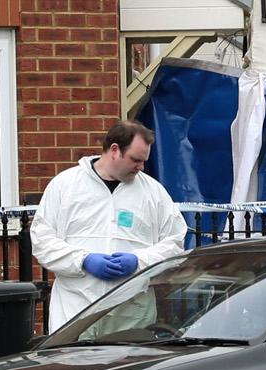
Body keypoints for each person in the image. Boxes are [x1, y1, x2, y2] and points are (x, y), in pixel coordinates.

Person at [30, 120, 187, 331]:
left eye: (144, 161)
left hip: (131, 311)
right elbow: (42, 241)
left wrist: (138, 261)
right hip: (76, 308)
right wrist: (83, 260)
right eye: (135, 160)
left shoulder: (153, 193)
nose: (141, 167)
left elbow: (175, 243)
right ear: (114, 150)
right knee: (74, 364)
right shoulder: (65, 186)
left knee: (128, 364)